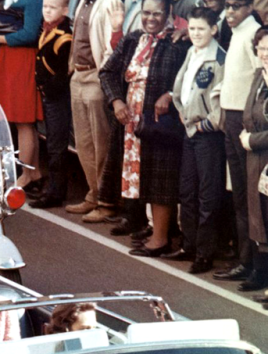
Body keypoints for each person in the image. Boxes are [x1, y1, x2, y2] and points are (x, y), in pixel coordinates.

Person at [99, 0, 191, 258]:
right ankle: (154, 231)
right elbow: (107, 72)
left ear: (168, 14)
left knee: (161, 177)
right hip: (131, 121)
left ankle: (161, 238)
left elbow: (191, 76)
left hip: (160, 123)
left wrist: (171, 95)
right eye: (146, 13)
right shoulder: (133, 39)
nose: (151, 19)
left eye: (157, 13)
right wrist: (116, 100)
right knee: (140, 175)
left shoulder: (179, 43)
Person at [165, 7, 226, 274]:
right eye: (191, 28)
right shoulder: (191, 52)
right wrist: (181, 111)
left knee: (207, 195)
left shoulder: (219, 60)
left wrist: (205, 124)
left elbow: (222, 102)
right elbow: (181, 89)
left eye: (201, 28)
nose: (195, 33)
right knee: (186, 191)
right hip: (189, 131)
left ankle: (205, 253)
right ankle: (188, 245)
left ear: (213, 30)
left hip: (208, 135)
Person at [213, 0, 262, 286]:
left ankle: (253, 264)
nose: (230, 12)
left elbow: (261, 78)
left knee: (248, 196)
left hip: (244, 121)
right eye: (227, 6)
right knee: (239, 195)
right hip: (231, 116)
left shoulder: (253, 33)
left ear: (249, 6)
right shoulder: (237, 32)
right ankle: (245, 259)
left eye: (236, 5)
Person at [0, 0, 45, 194]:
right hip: (11, 58)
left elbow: (30, 34)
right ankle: (34, 173)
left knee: (24, 122)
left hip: (22, 60)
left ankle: (27, 174)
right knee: (21, 123)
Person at [63, 0, 119, 223]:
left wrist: (102, 74)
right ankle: (93, 194)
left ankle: (107, 201)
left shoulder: (108, 4)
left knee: (101, 143)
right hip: (78, 75)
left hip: (95, 76)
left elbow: (111, 47)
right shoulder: (81, 4)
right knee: (84, 143)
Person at [29, 0, 74, 209]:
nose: (47, 11)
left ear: (65, 10)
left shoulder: (64, 36)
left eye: (53, 8)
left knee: (57, 145)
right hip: (48, 96)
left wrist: (50, 88)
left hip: (57, 97)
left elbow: (63, 72)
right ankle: (54, 188)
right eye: (45, 7)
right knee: (52, 141)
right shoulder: (48, 29)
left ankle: (56, 192)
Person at [236, 26, 268, 294]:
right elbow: (249, 113)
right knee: (256, 212)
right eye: (261, 49)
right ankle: (260, 272)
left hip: (261, 150)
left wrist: (253, 140)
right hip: (255, 156)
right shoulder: (260, 75)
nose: (265, 54)